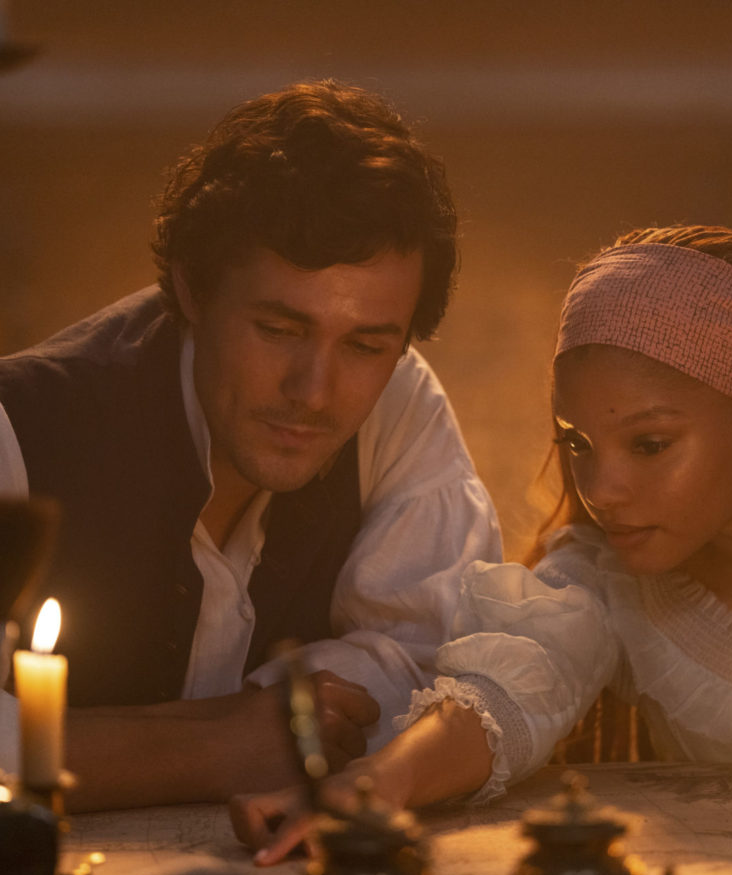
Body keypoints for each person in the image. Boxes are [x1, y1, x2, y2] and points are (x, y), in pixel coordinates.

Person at [231, 223, 732, 864]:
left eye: (650, 444)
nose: (601, 490)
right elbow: (503, 697)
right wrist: (375, 785)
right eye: (577, 444)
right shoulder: (610, 578)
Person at [0, 80, 502, 810]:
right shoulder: (19, 428)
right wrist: (211, 746)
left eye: (365, 345)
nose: (314, 390)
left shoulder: (399, 400)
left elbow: (442, 665)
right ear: (191, 290)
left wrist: (255, 725)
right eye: (278, 329)